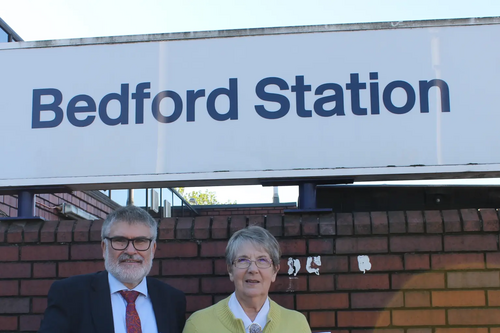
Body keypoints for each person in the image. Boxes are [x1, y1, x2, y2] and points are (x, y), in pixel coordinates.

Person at [38, 205, 186, 333]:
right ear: (104, 248)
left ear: (153, 249)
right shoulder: (69, 295)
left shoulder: (173, 300)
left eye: (140, 241)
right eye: (119, 241)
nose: (130, 250)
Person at [183, 225, 311, 333]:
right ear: (230, 270)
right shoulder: (198, 325)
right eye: (243, 260)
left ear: (274, 271)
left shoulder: (297, 325)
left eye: (262, 260)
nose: (253, 269)